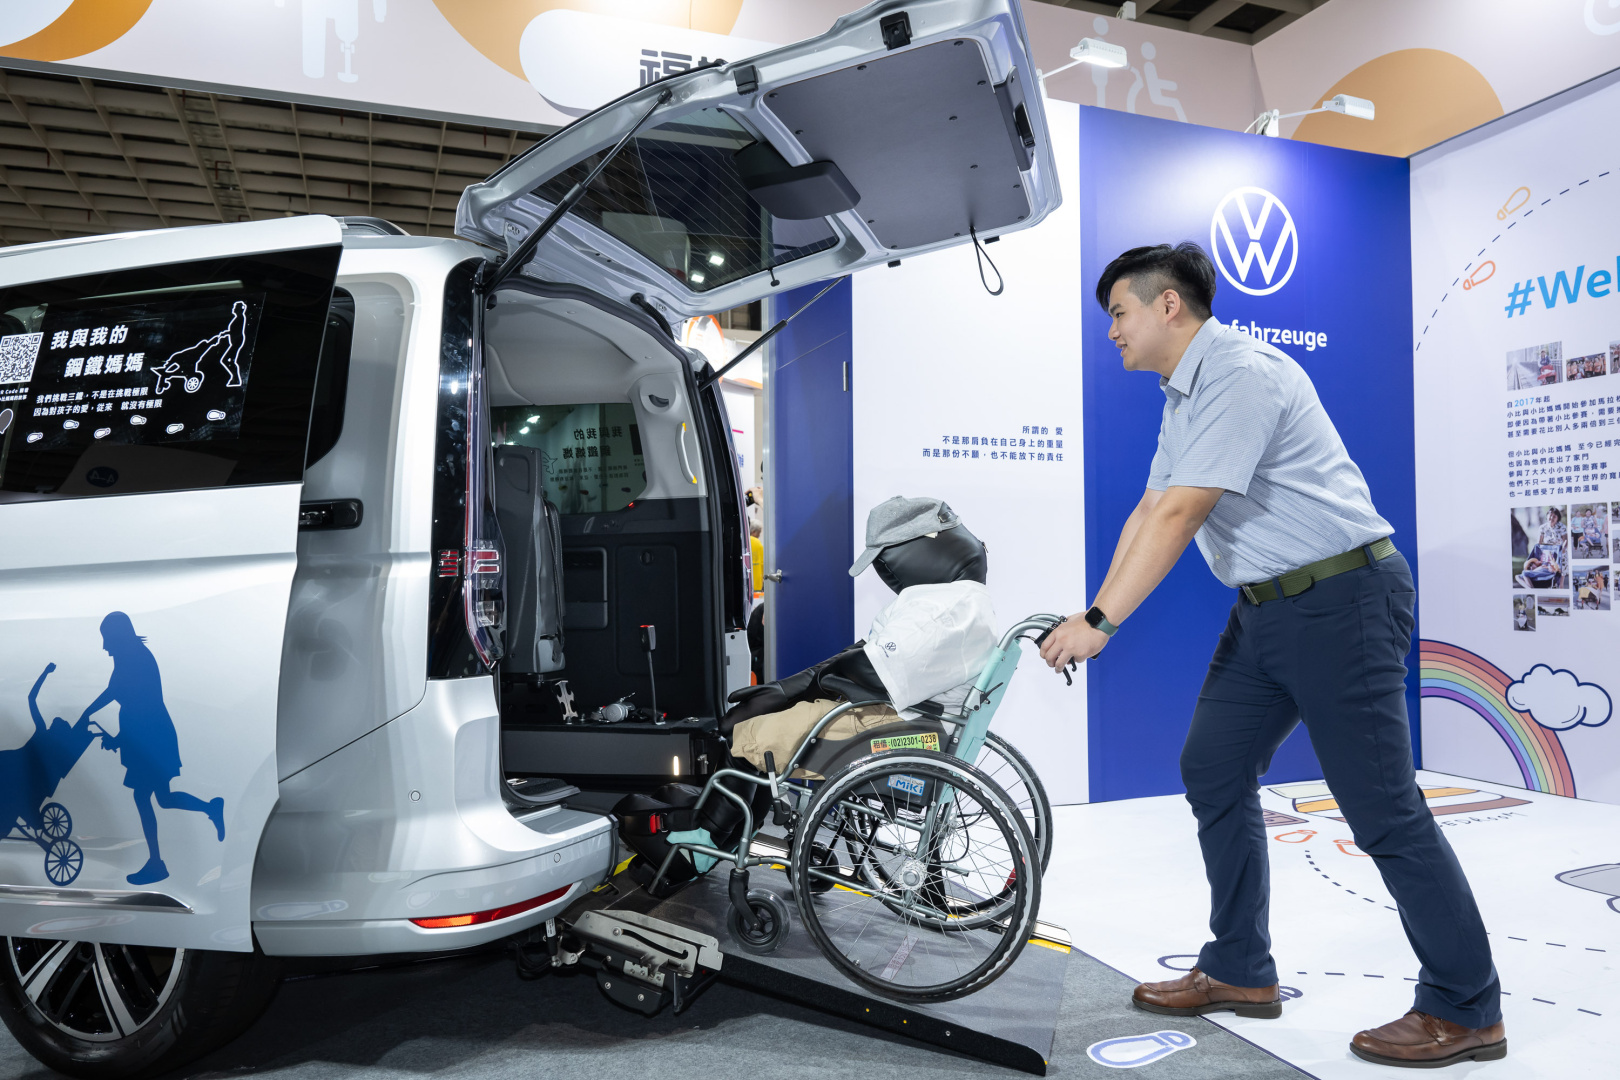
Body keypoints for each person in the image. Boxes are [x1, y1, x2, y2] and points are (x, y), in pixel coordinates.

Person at [1039, 243, 1503, 1068]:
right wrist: (1092, 611)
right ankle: (1240, 968)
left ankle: (1466, 1008)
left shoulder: (1240, 372)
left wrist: (1103, 623)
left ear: (1168, 305)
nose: (1110, 331)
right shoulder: (1181, 394)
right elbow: (1149, 509)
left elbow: (1182, 513)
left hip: (1342, 598)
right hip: (1265, 610)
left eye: (1118, 312)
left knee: (1382, 809)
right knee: (1212, 766)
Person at [83, 611, 225, 886]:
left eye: (107, 639)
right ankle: (210, 808)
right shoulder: (131, 658)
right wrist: (112, 733)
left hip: (150, 738)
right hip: (148, 737)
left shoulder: (135, 660)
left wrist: (92, 718)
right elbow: (121, 696)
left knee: (144, 796)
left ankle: (157, 863)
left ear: (117, 637)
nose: (104, 646)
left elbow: (132, 703)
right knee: (162, 798)